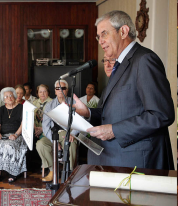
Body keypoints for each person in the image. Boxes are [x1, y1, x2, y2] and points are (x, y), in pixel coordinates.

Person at [73, 10, 174, 170]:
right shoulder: (120, 65)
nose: (100, 41)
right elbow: (113, 112)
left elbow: (161, 115)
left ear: (123, 31)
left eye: (104, 34)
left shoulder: (144, 60)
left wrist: (114, 130)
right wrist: (88, 113)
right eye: (98, 36)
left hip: (137, 163)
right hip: (113, 159)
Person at [38, 80, 77, 182]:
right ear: (55, 91)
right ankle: (52, 170)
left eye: (63, 88)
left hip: (68, 133)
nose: (60, 90)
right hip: (53, 134)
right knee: (40, 144)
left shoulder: (74, 103)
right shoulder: (49, 105)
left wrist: (73, 133)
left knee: (71, 144)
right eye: (57, 88)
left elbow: (80, 122)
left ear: (67, 90)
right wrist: (53, 141)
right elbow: (45, 126)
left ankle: (70, 172)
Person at [0, 87, 27, 184]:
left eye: (11, 95)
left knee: (9, 145)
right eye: (6, 96)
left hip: (18, 135)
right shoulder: (2, 109)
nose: (9, 98)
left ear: (14, 96)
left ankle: (13, 172)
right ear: (3, 99)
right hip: (3, 135)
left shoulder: (21, 108)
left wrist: (15, 134)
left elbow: (23, 124)